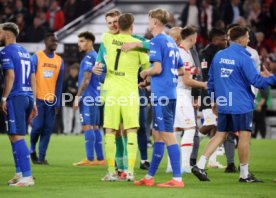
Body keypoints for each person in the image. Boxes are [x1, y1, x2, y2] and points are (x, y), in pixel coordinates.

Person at [192, 26, 276, 182]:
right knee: (244, 135)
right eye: (247, 37)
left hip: (225, 102)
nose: (249, 39)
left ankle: (200, 164)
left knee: (220, 134)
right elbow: (256, 81)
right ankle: (244, 174)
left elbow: (211, 81)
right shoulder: (245, 57)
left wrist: (213, 100)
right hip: (241, 104)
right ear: (241, 39)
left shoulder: (219, 55)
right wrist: (273, 78)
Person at [94, 13, 150, 181]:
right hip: (129, 92)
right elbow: (147, 66)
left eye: (115, 22)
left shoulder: (106, 39)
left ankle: (113, 171)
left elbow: (101, 60)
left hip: (111, 90)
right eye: (109, 23)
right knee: (130, 130)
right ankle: (129, 171)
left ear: (120, 23)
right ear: (132, 26)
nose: (112, 25)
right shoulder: (138, 44)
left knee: (110, 131)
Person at [134, 8, 184, 188]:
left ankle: (177, 179)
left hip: (162, 96)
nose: (148, 23)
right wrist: (151, 83)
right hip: (168, 93)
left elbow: (157, 69)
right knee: (158, 135)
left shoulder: (156, 41)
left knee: (167, 135)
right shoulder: (171, 41)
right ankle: (149, 177)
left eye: (148, 20)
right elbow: (180, 69)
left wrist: (145, 72)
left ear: (154, 21)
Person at [0, 22, 37, 186]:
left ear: (7, 34)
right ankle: (19, 172)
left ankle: (27, 177)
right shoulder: (25, 52)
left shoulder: (6, 51)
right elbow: (33, 78)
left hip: (16, 96)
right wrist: (34, 101)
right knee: (12, 135)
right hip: (28, 96)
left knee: (17, 136)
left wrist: (3, 98)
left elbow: (10, 75)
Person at [166, 26, 206, 174]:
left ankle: (171, 165)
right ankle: (183, 165)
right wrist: (203, 84)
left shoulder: (182, 52)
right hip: (182, 94)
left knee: (175, 130)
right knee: (190, 129)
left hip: (177, 93)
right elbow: (187, 81)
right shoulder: (183, 54)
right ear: (192, 38)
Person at [200, 28, 237, 172]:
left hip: (219, 94)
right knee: (210, 124)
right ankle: (192, 137)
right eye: (223, 39)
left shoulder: (222, 53)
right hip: (209, 94)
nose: (226, 41)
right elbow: (205, 75)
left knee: (216, 127)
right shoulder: (207, 53)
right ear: (215, 39)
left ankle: (212, 160)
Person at [30, 33, 64, 165]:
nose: (55, 43)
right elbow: (30, 78)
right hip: (38, 99)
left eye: (56, 41)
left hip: (51, 100)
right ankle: (32, 150)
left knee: (48, 129)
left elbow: (59, 83)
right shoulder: (37, 57)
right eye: (52, 40)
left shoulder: (59, 61)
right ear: (45, 41)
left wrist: (57, 102)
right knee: (37, 127)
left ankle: (42, 157)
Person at [73, 31, 105, 166]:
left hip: (87, 97)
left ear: (90, 42)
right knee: (95, 126)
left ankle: (90, 158)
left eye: (82, 41)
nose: (79, 44)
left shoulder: (88, 58)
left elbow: (86, 80)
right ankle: (100, 158)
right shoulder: (97, 56)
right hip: (96, 96)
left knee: (87, 126)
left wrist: (77, 97)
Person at [62, 63, 81, 135]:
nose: (73, 72)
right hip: (67, 102)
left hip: (77, 102)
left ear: (77, 71)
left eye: (74, 70)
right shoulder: (67, 79)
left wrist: (75, 90)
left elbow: (82, 90)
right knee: (67, 117)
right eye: (71, 70)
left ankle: (77, 131)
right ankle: (67, 131)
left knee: (78, 118)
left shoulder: (80, 79)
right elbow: (63, 90)